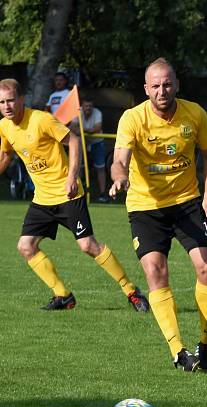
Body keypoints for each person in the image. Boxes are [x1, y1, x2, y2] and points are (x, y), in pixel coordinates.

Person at [109, 58, 207, 373]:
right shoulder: (133, 118)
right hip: (146, 205)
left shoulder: (194, 113)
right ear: (146, 89)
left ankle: (205, 341)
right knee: (156, 271)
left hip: (187, 201)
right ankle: (179, 352)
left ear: (177, 84)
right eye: (155, 85)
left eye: (167, 84)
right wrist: (119, 177)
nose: (162, 90)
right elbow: (120, 159)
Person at [0, 78, 149, 313]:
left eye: (10, 100)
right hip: (42, 199)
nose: (6, 106)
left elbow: (75, 141)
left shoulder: (41, 119)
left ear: (21, 100)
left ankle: (131, 290)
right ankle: (63, 295)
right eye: (1, 102)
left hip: (68, 194)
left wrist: (71, 177)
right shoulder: (5, 127)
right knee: (25, 246)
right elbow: (6, 154)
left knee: (88, 246)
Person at [70, 98, 109, 202]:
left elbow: (97, 128)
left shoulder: (97, 113)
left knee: (100, 167)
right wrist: (81, 131)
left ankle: (102, 194)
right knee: (77, 166)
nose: (88, 108)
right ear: (82, 106)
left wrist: (82, 130)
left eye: (90, 106)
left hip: (97, 142)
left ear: (93, 107)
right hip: (82, 142)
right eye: (86, 106)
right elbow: (72, 127)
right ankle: (77, 192)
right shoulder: (77, 112)